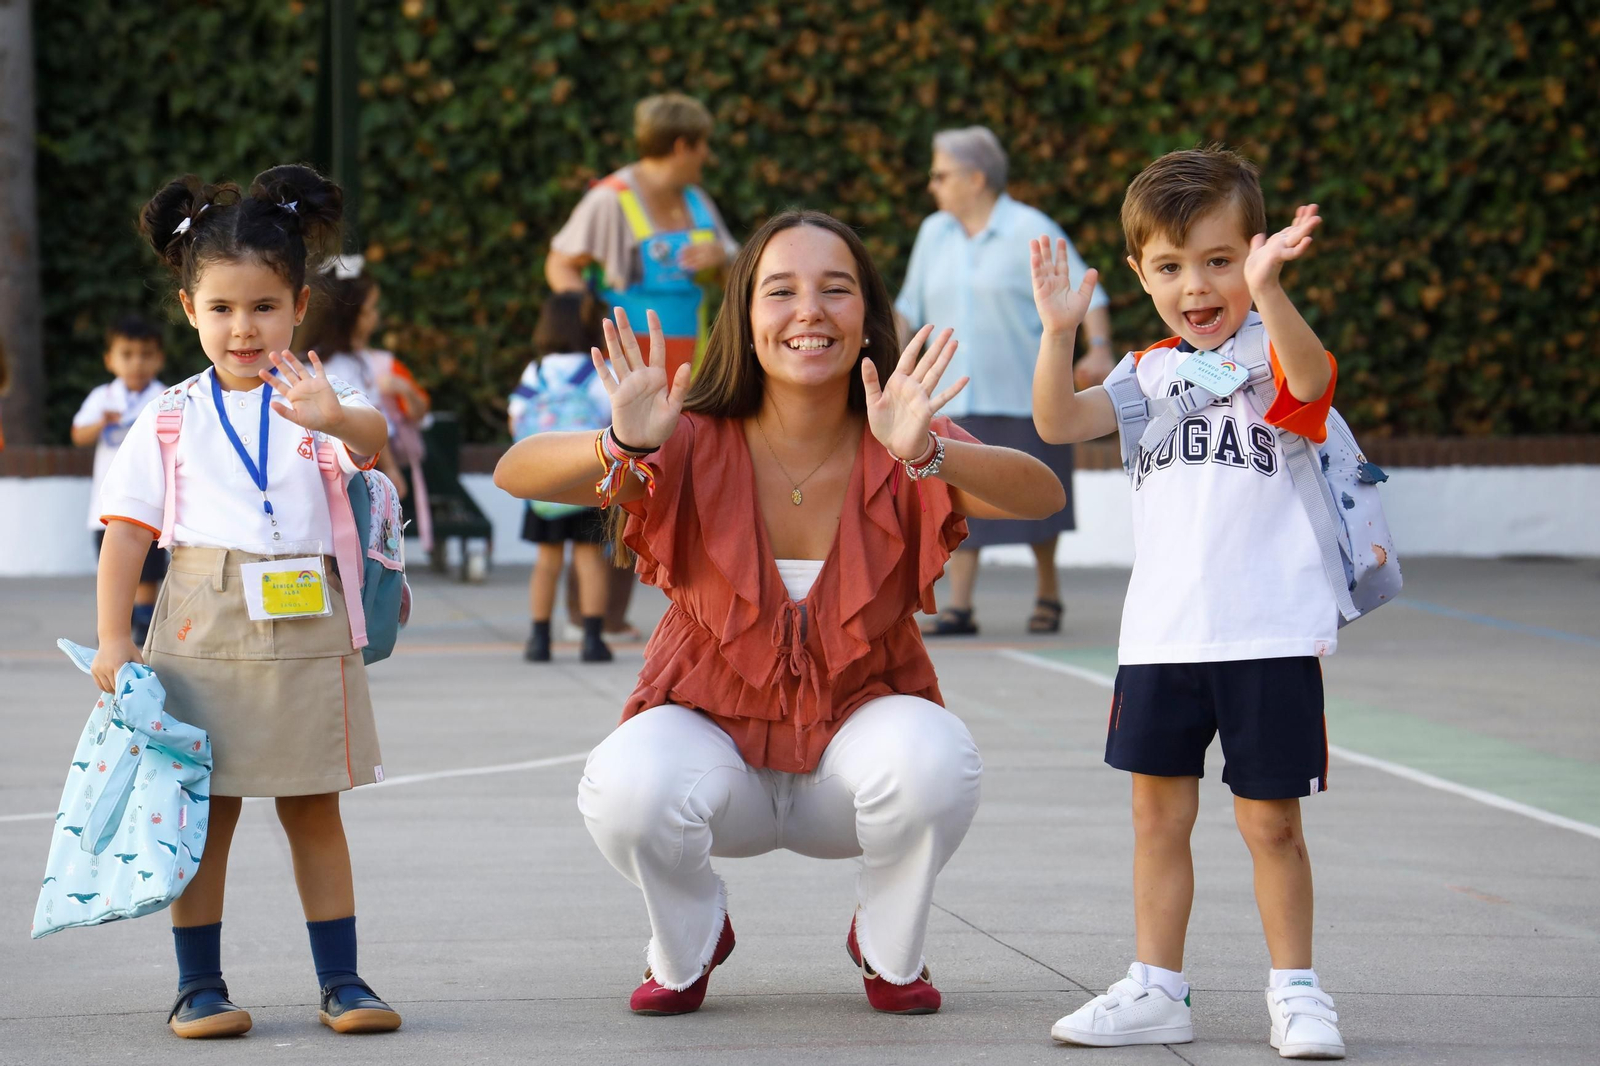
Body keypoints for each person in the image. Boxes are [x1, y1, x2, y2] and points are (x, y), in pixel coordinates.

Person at [496, 210, 1064, 1016]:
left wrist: (929, 453)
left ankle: (888, 946)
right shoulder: (686, 436)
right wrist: (621, 447)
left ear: (868, 315)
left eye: (836, 289)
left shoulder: (901, 436)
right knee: (627, 786)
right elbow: (520, 472)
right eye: (781, 291)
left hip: (852, 758)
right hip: (714, 750)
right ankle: (688, 943)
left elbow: (1042, 493)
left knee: (935, 762)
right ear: (746, 318)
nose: (809, 311)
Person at [1032, 147, 1346, 1059]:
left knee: (1271, 823)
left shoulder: (1270, 350)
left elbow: (1314, 381)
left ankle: (1297, 990)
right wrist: (1059, 332)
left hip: (1269, 633)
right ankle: (1156, 987)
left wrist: (1270, 290)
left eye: (1218, 261)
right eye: (1169, 267)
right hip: (1163, 637)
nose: (1196, 287)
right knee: (1155, 817)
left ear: (1253, 251)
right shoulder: (1146, 372)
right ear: (1139, 273)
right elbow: (1059, 423)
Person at [95, 165, 402, 1039]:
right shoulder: (166, 417)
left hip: (307, 619)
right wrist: (114, 638)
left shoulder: (325, 397)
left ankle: (343, 982)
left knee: (314, 806)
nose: (243, 327)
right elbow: (125, 534)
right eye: (222, 309)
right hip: (199, 619)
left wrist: (330, 418)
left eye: (263, 306)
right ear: (190, 311)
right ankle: (200, 987)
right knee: (206, 811)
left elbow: (374, 444)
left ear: (299, 305)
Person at [896, 126, 1113, 637]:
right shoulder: (933, 233)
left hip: (1023, 393)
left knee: (1035, 500)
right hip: (951, 392)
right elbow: (908, 307)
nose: (932, 185)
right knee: (956, 495)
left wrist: (1099, 349)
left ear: (975, 179)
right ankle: (960, 606)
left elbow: (1090, 296)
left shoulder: (1030, 229)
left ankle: (1047, 592)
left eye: (940, 174)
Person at [545, 92, 740, 641]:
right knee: (618, 477)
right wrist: (585, 318)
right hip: (628, 364)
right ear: (681, 145)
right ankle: (589, 613)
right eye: (702, 147)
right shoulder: (611, 199)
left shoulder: (697, 201)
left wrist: (721, 261)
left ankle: (613, 615)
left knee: (666, 484)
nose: (706, 158)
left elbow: (736, 270)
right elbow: (560, 260)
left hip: (690, 365)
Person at [297, 256, 433, 547]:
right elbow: (368, 420)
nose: (375, 318)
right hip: (352, 475)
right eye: (369, 310)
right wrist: (393, 471)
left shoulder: (336, 361)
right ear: (347, 315)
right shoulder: (339, 366)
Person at [507, 291, 614, 663]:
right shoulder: (598, 369)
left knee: (546, 561)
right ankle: (593, 640)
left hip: (545, 483)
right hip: (587, 480)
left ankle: (539, 640)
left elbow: (516, 417)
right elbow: (613, 421)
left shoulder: (535, 371)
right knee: (589, 560)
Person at [71, 315, 168, 644]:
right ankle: (115, 629)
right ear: (109, 359)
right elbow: (78, 434)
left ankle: (144, 625)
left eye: (146, 354)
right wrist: (101, 423)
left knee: (150, 570)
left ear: (160, 358)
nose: (137, 362)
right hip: (106, 506)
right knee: (113, 568)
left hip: (152, 505)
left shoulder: (166, 398)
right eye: (127, 354)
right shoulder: (102, 397)